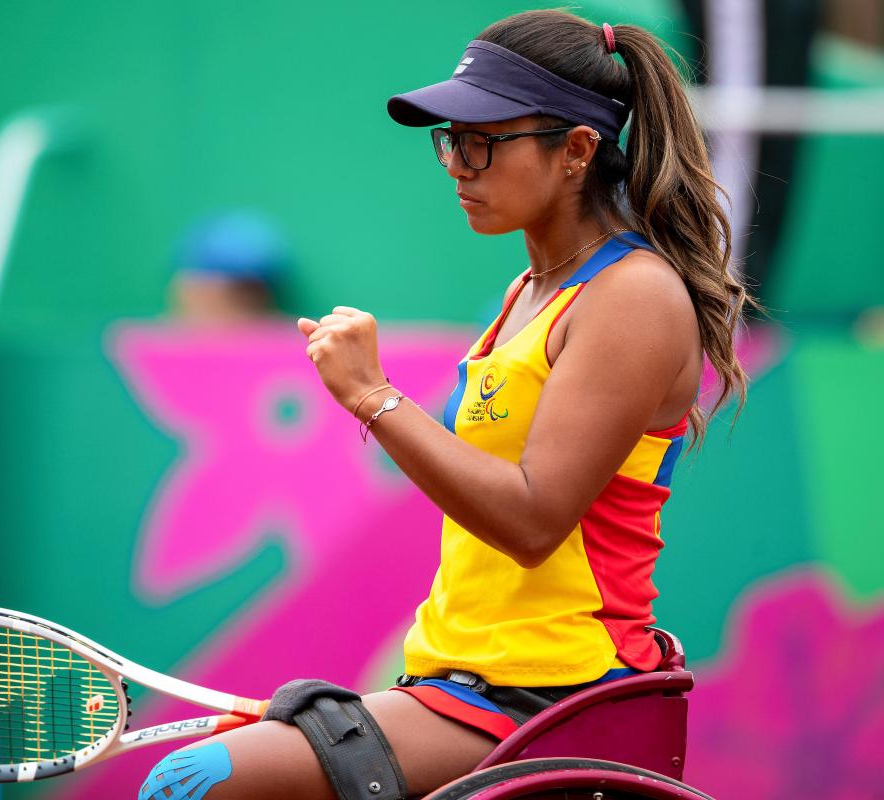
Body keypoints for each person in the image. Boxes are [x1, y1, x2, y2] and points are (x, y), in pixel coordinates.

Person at [138, 9, 752, 800]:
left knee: (193, 781)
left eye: (483, 141)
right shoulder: (530, 291)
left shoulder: (632, 297)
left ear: (576, 150)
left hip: (550, 695)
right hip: (463, 678)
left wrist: (371, 396)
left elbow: (534, 520)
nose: (457, 163)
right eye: (448, 139)